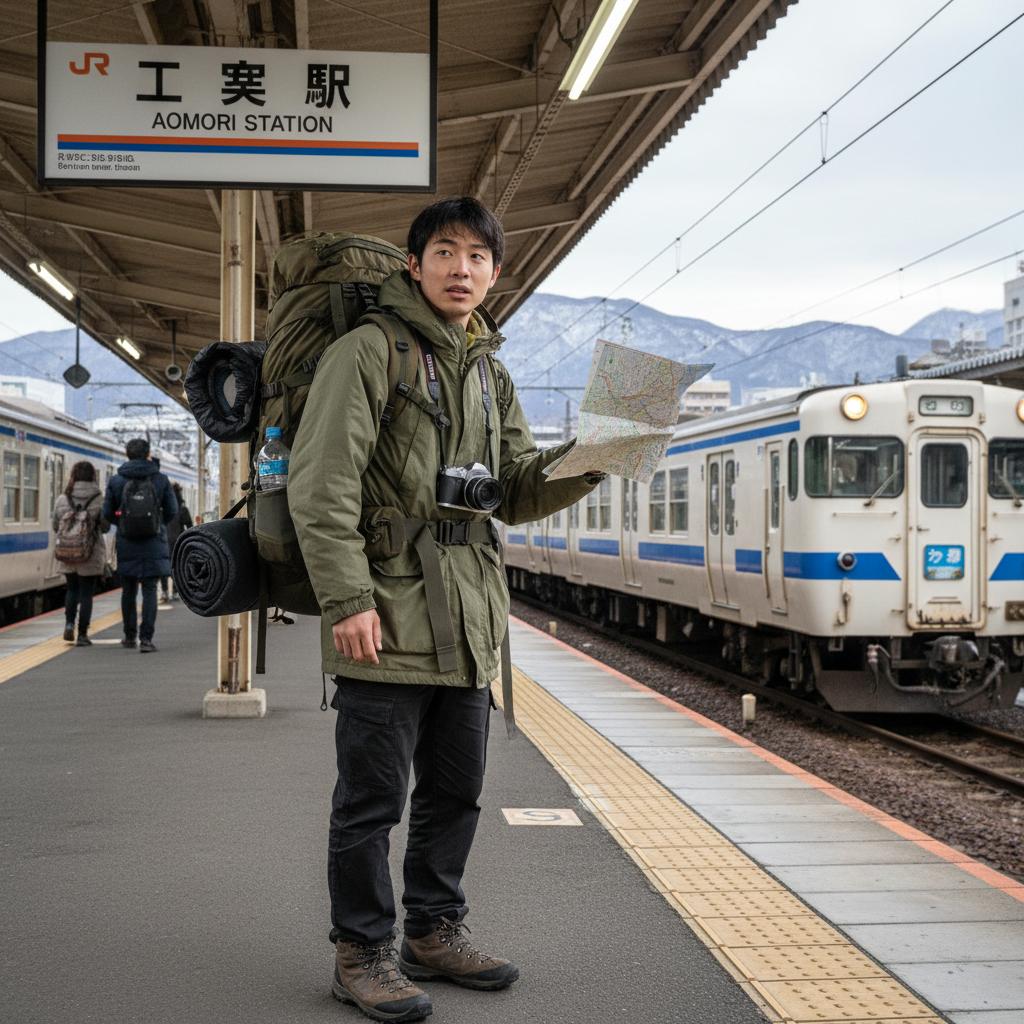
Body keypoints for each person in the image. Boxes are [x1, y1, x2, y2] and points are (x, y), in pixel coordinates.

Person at [290, 197, 603, 1023]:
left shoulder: (490, 371)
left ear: (496, 273)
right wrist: (348, 598)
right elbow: (323, 484)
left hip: (468, 618)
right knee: (371, 800)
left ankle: (433, 931)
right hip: (386, 611)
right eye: (445, 252)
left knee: (456, 793)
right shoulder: (369, 352)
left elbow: (518, 490)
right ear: (414, 264)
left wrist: (597, 457)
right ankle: (361, 952)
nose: (461, 269)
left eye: (477, 257)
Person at [103, 438, 176, 653]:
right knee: (150, 590)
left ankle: (129, 636)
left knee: (128, 590)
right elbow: (172, 511)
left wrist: (123, 524)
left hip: (127, 542)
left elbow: (107, 513)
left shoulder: (116, 480)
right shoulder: (160, 479)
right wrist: (157, 524)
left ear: (127, 454)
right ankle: (146, 639)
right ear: (148, 454)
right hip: (154, 543)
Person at [53, 460, 109, 646]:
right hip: (89, 553)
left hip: (68, 552)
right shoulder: (99, 499)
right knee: (86, 593)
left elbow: (56, 526)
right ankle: (82, 634)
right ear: (93, 476)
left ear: (73, 476)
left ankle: (69, 624)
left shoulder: (63, 499)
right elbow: (106, 527)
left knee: (71, 590)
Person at [161, 482, 193, 601]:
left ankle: (164, 591)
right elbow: (190, 527)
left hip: (163, 542)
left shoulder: (162, 508)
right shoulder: (182, 509)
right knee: (176, 567)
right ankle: (175, 591)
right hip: (178, 542)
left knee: (164, 567)